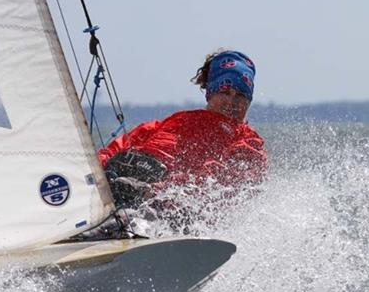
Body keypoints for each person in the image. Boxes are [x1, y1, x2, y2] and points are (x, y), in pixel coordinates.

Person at [97, 49, 267, 222]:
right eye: (225, 92)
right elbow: (118, 148)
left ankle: (127, 223)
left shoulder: (248, 141)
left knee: (154, 207)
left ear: (249, 101)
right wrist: (95, 170)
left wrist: (153, 191)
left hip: (173, 204)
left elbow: (221, 181)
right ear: (210, 92)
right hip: (124, 183)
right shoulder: (178, 120)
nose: (231, 102)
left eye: (240, 96)